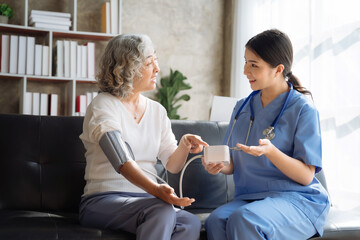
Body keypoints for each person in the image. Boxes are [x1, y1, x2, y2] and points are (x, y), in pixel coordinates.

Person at [202, 29, 330, 239]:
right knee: (216, 221)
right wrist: (217, 164)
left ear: (278, 69)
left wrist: (271, 152)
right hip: (250, 198)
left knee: (245, 219)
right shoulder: (241, 108)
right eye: (245, 62)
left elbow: (307, 176)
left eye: (254, 65)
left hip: (296, 198)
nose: (245, 71)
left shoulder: (303, 109)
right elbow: (231, 163)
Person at [79, 34, 208, 240]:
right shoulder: (103, 104)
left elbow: (172, 165)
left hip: (146, 201)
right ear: (126, 68)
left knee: (189, 222)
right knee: (161, 211)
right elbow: (120, 159)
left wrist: (183, 145)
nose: (157, 68)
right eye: (149, 63)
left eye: (155, 60)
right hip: (103, 200)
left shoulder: (157, 111)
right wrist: (156, 190)